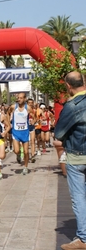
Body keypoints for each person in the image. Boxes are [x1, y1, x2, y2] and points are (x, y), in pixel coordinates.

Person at [55, 71, 86, 250]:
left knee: (79, 197)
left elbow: (59, 133)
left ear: (68, 86)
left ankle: (83, 237)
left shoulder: (72, 106)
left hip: (77, 157)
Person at [9, 92, 34, 175]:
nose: (19, 99)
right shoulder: (13, 107)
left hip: (25, 132)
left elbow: (34, 117)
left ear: (25, 99)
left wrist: (33, 121)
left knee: (26, 152)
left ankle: (26, 167)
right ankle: (18, 155)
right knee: (16, 150)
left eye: (21, 98)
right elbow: (7, 113)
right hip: (16, 131)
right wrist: (8, 123)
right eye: (18, 98)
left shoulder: (28, 108)